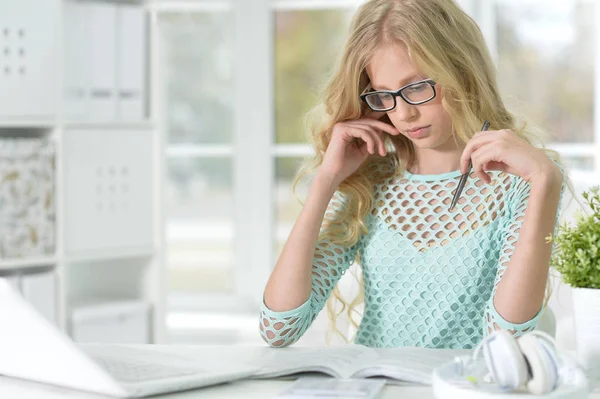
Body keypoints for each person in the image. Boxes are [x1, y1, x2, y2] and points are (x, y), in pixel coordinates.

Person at [260, 0, 566, 349]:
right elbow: (277, 330)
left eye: (417, 87)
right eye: (384, 95)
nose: (403, 114)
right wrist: (326, 181)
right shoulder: (370, 181)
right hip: (375, 385)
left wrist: (545, 181)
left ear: (462, 71)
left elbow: (508, 339)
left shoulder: (522, 180)